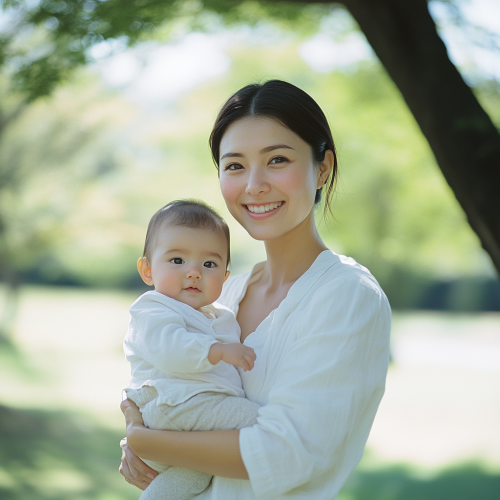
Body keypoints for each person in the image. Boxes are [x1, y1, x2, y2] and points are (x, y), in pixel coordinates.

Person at [120, 80, 392, 499]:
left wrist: (143, 439)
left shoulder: (347, 297)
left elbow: (285, 454)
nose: (254, 184)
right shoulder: (224, 292)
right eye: (234, 165)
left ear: (322, 167)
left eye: (277, 159)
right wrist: (154, 452)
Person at [123, 199, 259, 500]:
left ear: (224, 277)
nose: (194, 272)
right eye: (177, 261)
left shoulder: (219, 314)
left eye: (209, 264)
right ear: (147, 270)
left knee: (197, 472)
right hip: (176, 404)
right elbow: (170, 348)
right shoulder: (154, 308)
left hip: (189, 409)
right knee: (260, 422)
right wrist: (218, 351)